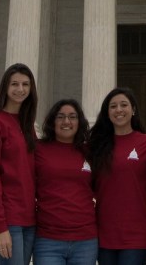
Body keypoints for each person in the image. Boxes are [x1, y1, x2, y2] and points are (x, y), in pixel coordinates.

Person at [87, 88, 146, 265]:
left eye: (124, 105)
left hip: (137, 231)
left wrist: (144, 193)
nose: (119, 110)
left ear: (133, 110)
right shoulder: (96, 146)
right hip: (104, 230)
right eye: (113, 106)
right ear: (107, 112)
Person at [0, 63, 38, 265]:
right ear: (5, 87)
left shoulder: (27, 124)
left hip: (29, 218)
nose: (20, 89)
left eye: (25, 84)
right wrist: (0, 226)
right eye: (14, 84)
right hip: (8, 219)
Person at [34, 99, 97, 265]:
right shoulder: (39, 149)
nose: (66, 121)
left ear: (79, 122)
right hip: (48, 240)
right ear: (52, 121)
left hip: (85, 240)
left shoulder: (89, 152)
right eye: (60, 117)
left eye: (72, 117)